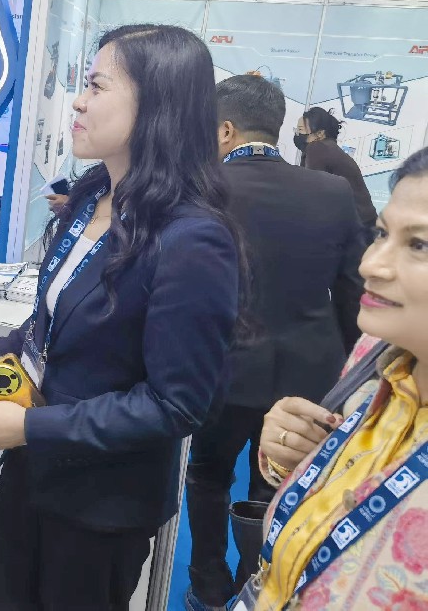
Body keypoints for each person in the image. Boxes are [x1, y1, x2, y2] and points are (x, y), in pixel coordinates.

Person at [0, 24, 243, 610]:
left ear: (157, 107)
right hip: (34, 472)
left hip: (101, 505)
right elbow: (49, 325)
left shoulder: (192, 238)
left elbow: (176, 404)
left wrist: (30, 428)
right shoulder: (91, 198)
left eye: (97, 86)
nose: (77, 102)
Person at [183, 75, 366, 611]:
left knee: (208, 474)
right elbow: (353, 295)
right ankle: (257, 583)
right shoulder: (331, 192)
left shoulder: (203, 190)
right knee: (280, 487)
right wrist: (346, 374)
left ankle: (208, 583)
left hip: (222, 372)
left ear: (225, 130)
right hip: (309, 376)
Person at [246, 147, 428, 610]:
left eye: (419, 245)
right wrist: (294, 453)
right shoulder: (376, 355)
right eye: (381, 234)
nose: (371, 264)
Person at [295, 106, 377, 236]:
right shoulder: (329, 147)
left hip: (355, 229)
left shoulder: (317, 148)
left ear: (320, 134)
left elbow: (312, 194)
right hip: (365, 225)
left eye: (300, 130)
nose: (297, 134)